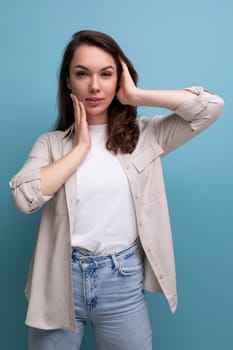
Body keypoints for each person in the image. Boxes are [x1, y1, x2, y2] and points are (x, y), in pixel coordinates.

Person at [9, 30, 224, 350]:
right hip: (58, 282)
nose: (94, 86)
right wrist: (80, 149)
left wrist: (135, 96)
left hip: (121, 281)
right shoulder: (51, 144)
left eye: (106, 74)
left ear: (119, 78)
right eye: (82, 74)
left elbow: (210, 107)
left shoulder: (145, 136)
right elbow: (24, 198)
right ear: (68, 80)